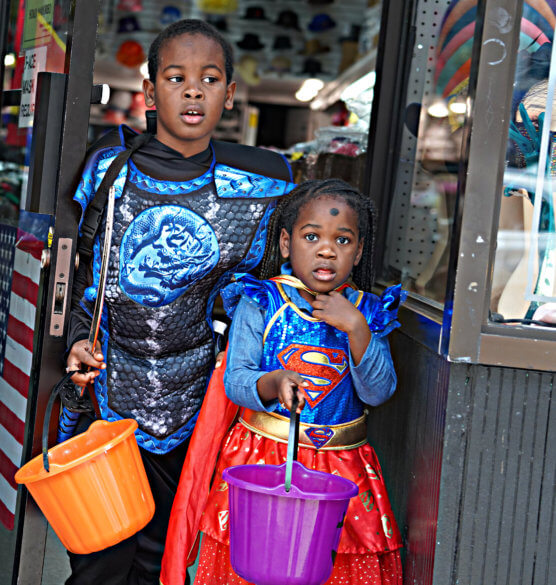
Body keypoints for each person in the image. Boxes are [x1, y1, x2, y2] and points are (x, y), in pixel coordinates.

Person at [62, 19, 296, 585]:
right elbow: (77, 274)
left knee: (164, 557)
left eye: (209, 78)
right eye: (176, 77)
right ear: (150, 92)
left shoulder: (262, 190)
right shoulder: (108, 173)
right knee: (99, 558)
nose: (193, 91)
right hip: (108, 397)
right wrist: (75, 340)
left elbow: (271, 295)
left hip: (199, 405)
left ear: (229, 95)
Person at [161, 179, 406, 585]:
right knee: (258, 564)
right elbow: (236, 382)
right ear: (287, 244)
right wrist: (273, 384)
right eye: (312, 237)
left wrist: (357, 329)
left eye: (343, 240)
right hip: (263, 459)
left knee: (329, 568)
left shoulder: (366, 312)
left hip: (341, 468)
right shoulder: (261, 301)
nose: (327, 249)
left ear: (359, 251)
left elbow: (378, 392)